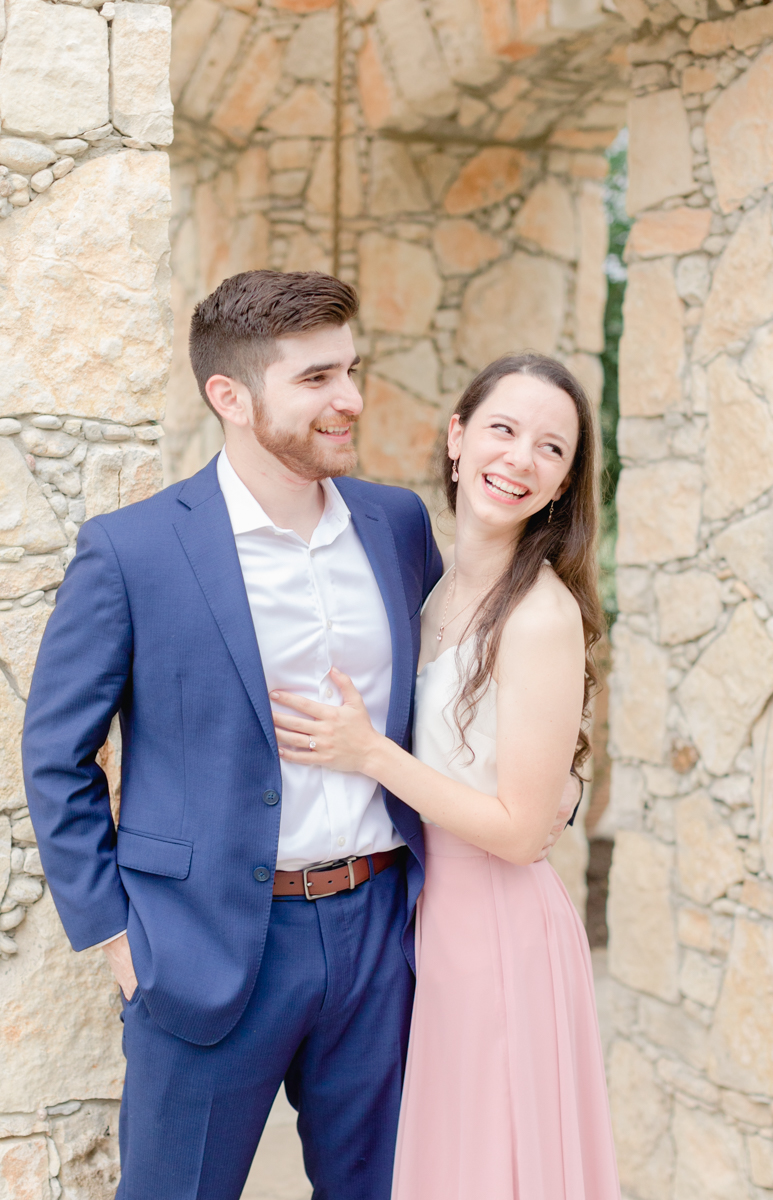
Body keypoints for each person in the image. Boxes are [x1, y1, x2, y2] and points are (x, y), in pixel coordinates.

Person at [22, 272, 579, 1200]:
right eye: (317, 378)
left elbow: (464, 682)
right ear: (230, 398)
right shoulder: (133, 552)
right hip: (202, 947)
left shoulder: (395, 524)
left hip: (381, 937)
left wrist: (553, 781)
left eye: (351, 370)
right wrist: (118, 938)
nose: (350, 399)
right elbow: (56, 755)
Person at [271, 353, 620, 1200]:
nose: (520, 459)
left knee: (486, 1169)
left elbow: (521, 829)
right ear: (458, 439)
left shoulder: (540, 614)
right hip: (426, 920)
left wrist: (369, 755)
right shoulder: (432, 589)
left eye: (551, 448)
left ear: (565, 482)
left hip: (499, 931)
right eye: (503, 429)